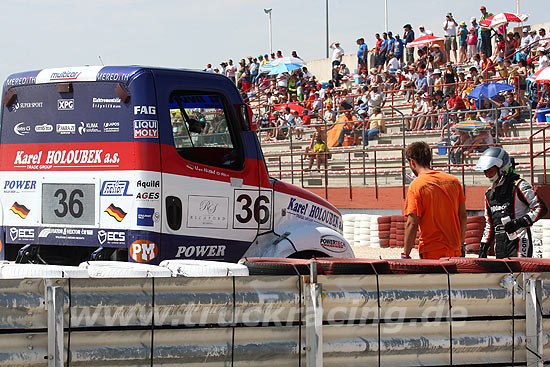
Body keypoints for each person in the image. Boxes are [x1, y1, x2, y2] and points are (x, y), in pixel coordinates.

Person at [476, 147, 548, 258]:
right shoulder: (489, 194)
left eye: (490, 170)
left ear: (501, 167)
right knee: (501, 275)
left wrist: (518, 223)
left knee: (519, 274)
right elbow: (489, 224)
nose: (487, 174)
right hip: (500, 244)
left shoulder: (519, 185)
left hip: (520, 240)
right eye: (485, 171)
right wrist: (484, 247)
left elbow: (540, 208)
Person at [402, 141, 467, 259]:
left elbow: (412, 223)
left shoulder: (416, 185)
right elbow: (462, 216)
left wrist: (405, 253)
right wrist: (461, 244)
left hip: (431, 251)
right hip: (455, 251)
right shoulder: (453, 181)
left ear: (412, 162)